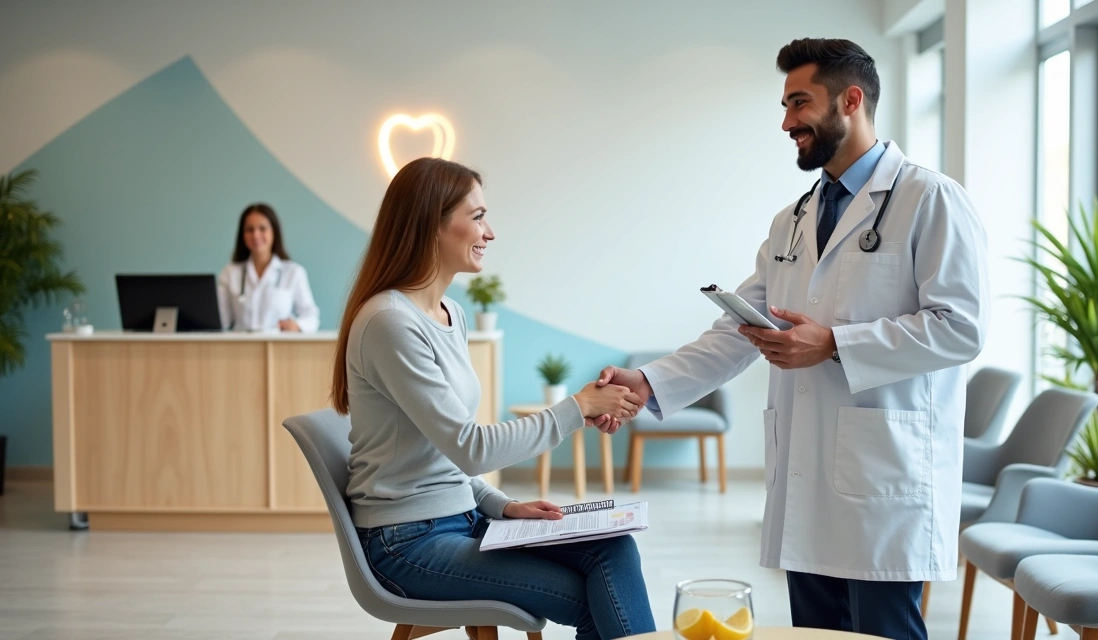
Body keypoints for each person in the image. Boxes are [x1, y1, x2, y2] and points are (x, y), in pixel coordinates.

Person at [596, 39, 989, 640]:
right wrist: (648, 381)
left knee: (885, 630)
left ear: (850, 100)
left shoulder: (929, 199)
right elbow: (739, 328)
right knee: (814, 633)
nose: (786, 123)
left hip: (884, 472)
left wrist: (834, 343)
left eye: (799, 103)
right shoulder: (795, 218)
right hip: (806, 472)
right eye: (784, 105)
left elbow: (961, 327)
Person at [330, 157, 656, 640]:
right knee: (594, 594)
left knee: (614, 548)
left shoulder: (450, 314)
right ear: (431, 225)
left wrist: (502, 506)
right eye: (478, 216)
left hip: (461, 519)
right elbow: (470, 446)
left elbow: (445, 456)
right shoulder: (389, 323)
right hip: (407, 542)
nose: (491, 232)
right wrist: (579, 407)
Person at [217, 203, 320, 332]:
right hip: (240, 348)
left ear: (274, 232)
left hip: (279, 347)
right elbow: (221, 321)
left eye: (262, 228)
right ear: (242, 236)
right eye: (249, 229)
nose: (255, 235)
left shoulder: (294, 272)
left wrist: (297, 325)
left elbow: (311, 316)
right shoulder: (229, 273)